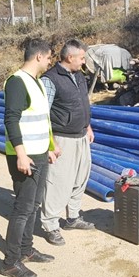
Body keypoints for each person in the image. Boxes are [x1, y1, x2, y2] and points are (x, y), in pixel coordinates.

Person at [1, 38, 59, 277]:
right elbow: (11, 119)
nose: (49, 62)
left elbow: (40, 119)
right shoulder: (17, 82)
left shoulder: (35, 82)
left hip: (39, 152)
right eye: (48, 58)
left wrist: (49, 147)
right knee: (22, 208)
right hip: (24, 155)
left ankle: (26, 250)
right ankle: (10, 262)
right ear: (38, 57)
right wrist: (22, 155)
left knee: (34, 204)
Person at [40, 39, 96, 246]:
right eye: (82, 58)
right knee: (57, 183)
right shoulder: (50, 79)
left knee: (80, 179)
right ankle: (51, 224)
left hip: (81, 136)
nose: (84, 62)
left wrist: (88, 126)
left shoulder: (79, 75)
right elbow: (43, 113)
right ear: (70, 57)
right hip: (62, 138)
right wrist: (50, 142)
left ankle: (73, 217)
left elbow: (83, 103)